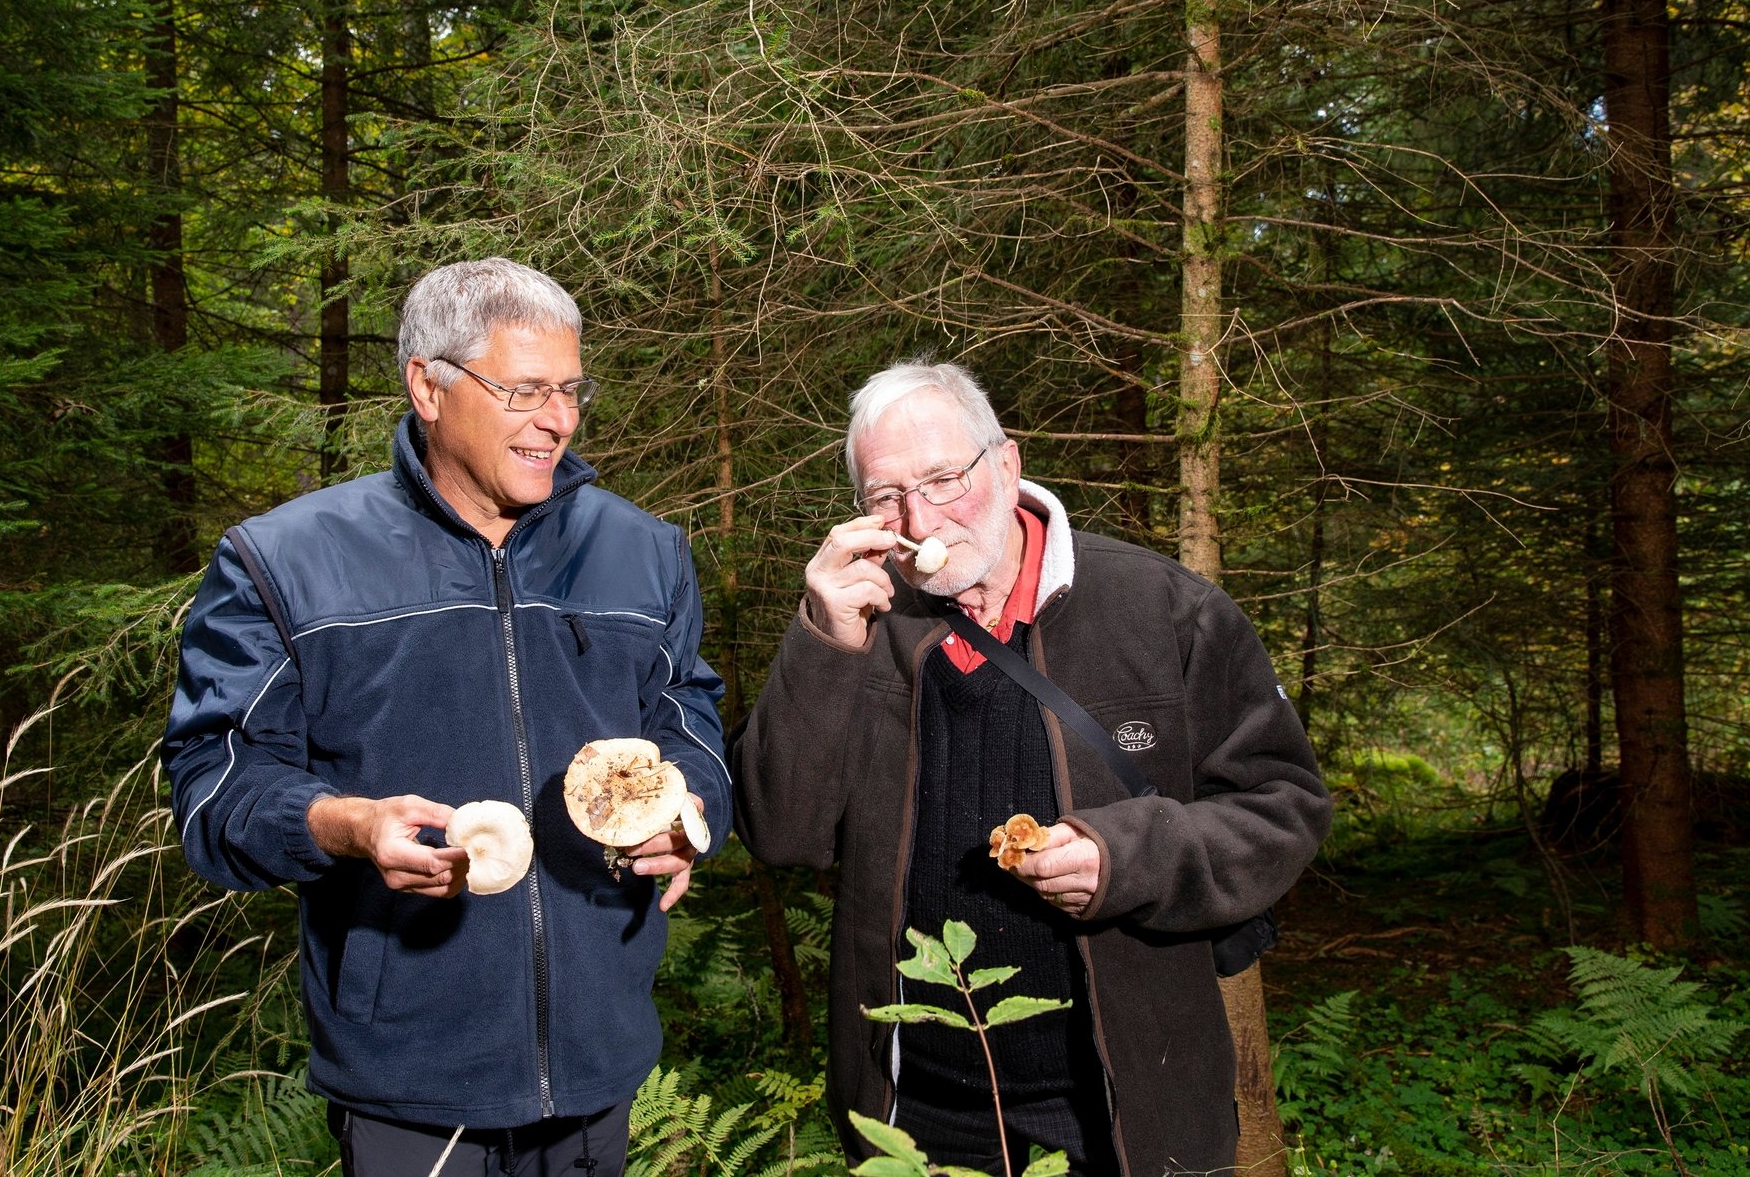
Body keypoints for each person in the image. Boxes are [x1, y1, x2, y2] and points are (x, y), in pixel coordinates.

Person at [162, 258, 731, 1177]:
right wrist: (346, 826)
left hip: (599, 1069)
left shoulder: (643, 552)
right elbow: (212, 786)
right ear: (428, 385)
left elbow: (689, 717)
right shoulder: (286, 562)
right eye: (525, 390)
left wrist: (688, 809)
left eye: (571, 389)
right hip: (410, 1088)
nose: (560, 420)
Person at [731, 360, 1330, 1177]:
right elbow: (781, 829)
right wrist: (823, 641)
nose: (918, 516)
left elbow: (1284, 806)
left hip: (1125, 1113)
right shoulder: (861, 628)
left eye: (945, 478)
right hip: (915, 1113)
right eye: (885, 496)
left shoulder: (1162, 609)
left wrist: (1129, 858)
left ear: (1007, 465)